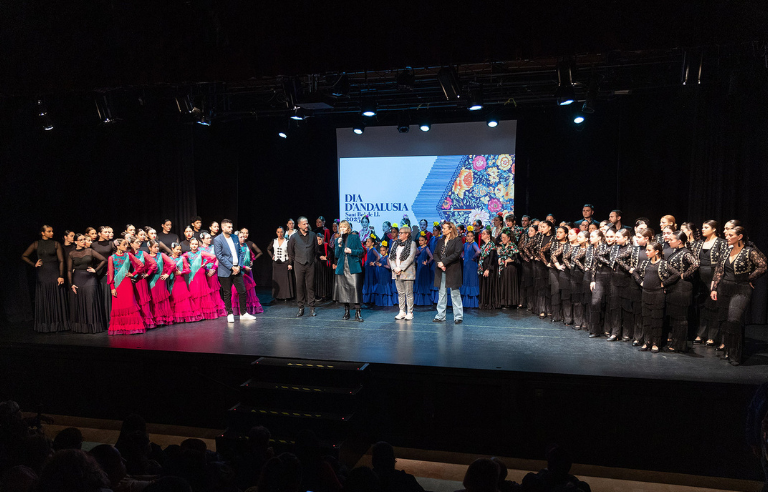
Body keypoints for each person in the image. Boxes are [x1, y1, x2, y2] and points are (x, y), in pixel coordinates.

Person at [711, 226, 767, 365]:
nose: (727, 237)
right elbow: (719, 270)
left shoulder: (749, 251)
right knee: (725, 320)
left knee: (734, 320)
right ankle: (728, 350)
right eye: (727, 235)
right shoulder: (725, 251)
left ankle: (735, 354)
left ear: (740, 236)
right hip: (724, 288)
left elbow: (763, 266)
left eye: (731, 235)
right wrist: (714, 288)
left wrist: (750, 278)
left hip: (741, 289)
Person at [633, 241, 681, 353]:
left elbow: (676, 274)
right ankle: (647, 342)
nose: (647, 252)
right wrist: (640, 282)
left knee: (657, 320)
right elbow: (635, 272)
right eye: (646, 250)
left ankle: (655, 343)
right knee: (646, 319)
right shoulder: (645, 263)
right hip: (645, 293)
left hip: (657, 295)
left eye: (649, 250)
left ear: (657, 251)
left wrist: (664, 283)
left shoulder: (663, 264)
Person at [21, 225, 69, 332]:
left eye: (52, 231)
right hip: (42, 273)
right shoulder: (36, 244)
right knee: (45, 296)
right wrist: (34, 264)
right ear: (42, 233)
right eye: (49, 231)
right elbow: (24, 256)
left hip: (54, 272)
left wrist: (61, 275)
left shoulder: (55, 244)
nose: (52, 233)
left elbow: (61, 261)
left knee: (56, 296)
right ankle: (46, 325)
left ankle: (58, 324)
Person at [689, 220, 727, 346]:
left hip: (713, 276)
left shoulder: (721, 243)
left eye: (706, 227)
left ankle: (712, 336)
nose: (703, 229)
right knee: (703, 306)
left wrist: (716, 281)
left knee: (714, 307)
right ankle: (701, 333)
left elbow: (722, 263)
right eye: (703, 227)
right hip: (700, 277)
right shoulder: (700, 243)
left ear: (714, 229)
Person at [214, 219, 256, 322]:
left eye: (231, 227)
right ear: (223, 227)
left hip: (237, 269)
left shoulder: (235, 237)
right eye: (228, 227)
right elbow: (219, 256)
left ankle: (243, 313)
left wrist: (239, 266)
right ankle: (230, 313)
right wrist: (231, 267)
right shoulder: (218, 239)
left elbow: (240, 253)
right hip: (226, 270)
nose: (231, 228)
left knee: (242, 291)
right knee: (227, 293)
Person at [664, 230, 699, 353]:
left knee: (681, 317)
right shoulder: (677, 252)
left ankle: (680, 345)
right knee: (675, 316)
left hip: (682, 288)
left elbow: (696, 264)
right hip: (675, 287)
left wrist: (685, 275)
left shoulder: (685, 252)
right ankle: (675, 342)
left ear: (679, 241)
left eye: (672, 239)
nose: (669, 241)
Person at [67, 233, 107, 333]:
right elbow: (69, 270)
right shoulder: (72, 254)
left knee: (91, 301)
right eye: (81, 240)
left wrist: (96, 269)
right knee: (80, 302)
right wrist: (71, 283)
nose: (84, 241)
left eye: (84, 239)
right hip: (78, 278)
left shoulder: (89, 250)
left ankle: (93, 326)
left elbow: (103, 260)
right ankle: (82, 327)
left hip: (90, 278)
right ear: (75, 242)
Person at [107, 238, 146, 335]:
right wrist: (112, 288)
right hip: (117, 284)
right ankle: (121, 328)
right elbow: (110, 274)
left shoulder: (128, 255)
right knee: (119, 306)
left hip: (127, 283)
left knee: (130, 304)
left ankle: (132, 327)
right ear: (118, 246)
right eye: (124, 245)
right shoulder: (111, 258)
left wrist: (133, 274)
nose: (126, 247)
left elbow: (141, 265)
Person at [334, 220, 365, 321]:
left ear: (348, 228)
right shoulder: (338, 240)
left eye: (344, 227)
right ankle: (346, 312)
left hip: (353, 267)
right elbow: (337, 255)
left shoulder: (354, 237)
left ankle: (358, 312)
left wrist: (351, 251)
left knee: (355, 289)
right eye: (341, 227)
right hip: (342, 268)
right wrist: (339, 246)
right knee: (343, 290)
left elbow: (361, 251)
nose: (342, 229)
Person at [433, 221, 464, 323]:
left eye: (445, 228)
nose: (443, 230)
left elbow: (456, 254)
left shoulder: (457, 240)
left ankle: (458, 316)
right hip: (441, 269)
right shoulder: (441, 240)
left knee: (455, 293)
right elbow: (436, 253)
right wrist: (439, 263)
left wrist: (444, 263)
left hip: (452, 269)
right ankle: (440, 316)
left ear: (451, 229)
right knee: (441, 293)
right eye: (442, 228)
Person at [288, 216, 317, 317]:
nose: (306, 225)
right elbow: (290, 251)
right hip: (299, 264)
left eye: (307, 223)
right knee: (299, 286)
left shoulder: (313, 235)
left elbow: (316, 250)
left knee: (310, 286)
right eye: (304, 224)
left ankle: (312, 307)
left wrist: (312, 260)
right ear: (299, 225)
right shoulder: (294, 237)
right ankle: (301, 307)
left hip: (310, 264)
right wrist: (294, 261)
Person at [127, 235, 156, 329]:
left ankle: (146, 322)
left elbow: (154, 263)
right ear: (131, 244)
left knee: (143, 300)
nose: (139, 244)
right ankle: (136, 323)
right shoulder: (127, 254)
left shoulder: (143, 253)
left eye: (140, 242)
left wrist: (148, 274)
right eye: (137, 242)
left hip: (141, 280)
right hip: (130, 280)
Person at [233, 231, 264, 316]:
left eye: (243, 237)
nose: (243, 238)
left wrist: (251, 261)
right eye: (241, 237)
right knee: (239, 290)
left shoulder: (246, 245)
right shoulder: (235, 247)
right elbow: (234, 261)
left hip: (248, 270)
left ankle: (249, 308)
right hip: (240, 271)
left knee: (249, 290)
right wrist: (243, 267)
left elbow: (252, 255)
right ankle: (239, 309)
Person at [389, 225, 417, 320]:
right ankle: (402, 311)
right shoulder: (395, 243)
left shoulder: (412, 243)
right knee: (400, 293)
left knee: (408, 293)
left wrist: (400, 268)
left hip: (407, 272)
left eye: (401, 233)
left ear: (407, 234)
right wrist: (394, 268)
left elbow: (410, 258)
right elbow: (391, 257)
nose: (399, 234)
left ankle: (410, 312)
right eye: (399, 232)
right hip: (396, 272)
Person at [145, 240, 175, 326]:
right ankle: (156, 319)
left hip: (161, 281)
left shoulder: (161, 255)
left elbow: (172, 264)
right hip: (151, 280)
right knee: (154, 299)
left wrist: (167, 274)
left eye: (158, 246)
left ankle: (164, 319)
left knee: (162, 299)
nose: (157, 248)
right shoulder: (147, 256)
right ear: (149, 248)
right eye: (155, 247)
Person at [168, 242, 199, 323]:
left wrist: (181, 272)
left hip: (181, 280)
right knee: (175, 298)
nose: (179, 251)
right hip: (172, 280)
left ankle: (185, 316)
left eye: (180, 250)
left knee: (183, 298)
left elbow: (188, 270)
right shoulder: (169, 258)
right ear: (172, 249)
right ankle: (176, 317)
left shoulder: (182, 258)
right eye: (177, 249)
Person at [588, 229, 610, 338]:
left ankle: (606, 329)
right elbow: (594, 266)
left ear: (599, 237)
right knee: (595, 302)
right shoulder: (594, 248)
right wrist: (593, 280)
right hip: (599, 276)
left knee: (607, 304)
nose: (590, 238)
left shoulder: (607, 247)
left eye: (592, 236)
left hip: (610, 276)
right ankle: (595, 329)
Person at [199, 232, 227, 317]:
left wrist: (213, 269)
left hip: (213, 271)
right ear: (202, 239)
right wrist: (206, 269)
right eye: (207, 238)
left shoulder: (214, 247)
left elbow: (218, 258)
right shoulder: (199, 249)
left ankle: (216, 309)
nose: (210, 239)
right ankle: (207, 310)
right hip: (204, 272)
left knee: (214, 290)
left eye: (210, 238)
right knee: (205, 291)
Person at [268, 226, 294, 302]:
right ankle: (277, 296)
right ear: (276, 233)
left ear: (284, 232)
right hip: (276, 263)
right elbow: (268, 249)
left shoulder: (287, 241)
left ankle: (285, 296)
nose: (280, 233)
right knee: (277, 279)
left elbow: (290, 253)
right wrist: (272, 256)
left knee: (284, 280)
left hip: (284, 263)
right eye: (278, 232)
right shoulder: (274, 241)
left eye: (281, 232)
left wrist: (290, 263)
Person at [477, 228, 499, 310]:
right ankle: (483, 303)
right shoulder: (483, 246)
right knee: (483, 285)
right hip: (482, 267)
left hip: (488, 267)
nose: (482, 235)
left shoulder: (491, 245)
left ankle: (489, 303)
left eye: (484, 234)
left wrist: (488, 269)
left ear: (488, 236)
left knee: (489, 284)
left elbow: (492, 258)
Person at [460, 229, 481, 308]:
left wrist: (473, 257)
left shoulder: (474, 244)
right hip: (466, 265)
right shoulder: (465, 244)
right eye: (468, 236)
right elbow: (460, 251)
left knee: (472, 281)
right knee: (466, 280)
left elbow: (478, 251)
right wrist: (463, 257)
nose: (469, 237)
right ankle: (466, 302)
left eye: (471, 236)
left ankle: (473, 302)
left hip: (472, 265)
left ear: (473, 237)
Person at [414, 233, 434, 306]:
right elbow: (415, 256)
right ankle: (418, 301)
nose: (420, 242)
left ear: (425, 241)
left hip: (424, 268)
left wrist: (427, 262)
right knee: (418, 281)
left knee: (423, 282)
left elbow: (431, 257)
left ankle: (425, 301)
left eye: (422, 240)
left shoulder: (426, 248)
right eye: (419, 240)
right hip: (419, 267)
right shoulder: (418, 248)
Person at [314, 232, 335, 302]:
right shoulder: (315, 246)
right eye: (317, 240)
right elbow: (314, 254)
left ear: (323, 239)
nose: (319, 241)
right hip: (317, 264)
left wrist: (326, 257)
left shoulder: (325, 245)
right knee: (318, 279)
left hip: (324, 265)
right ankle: (318, 294)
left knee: (324, 279)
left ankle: (325, 295)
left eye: (320, 239)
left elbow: (332, 252)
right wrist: (319, 257)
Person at [374, 243, 395, 307]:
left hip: (386, 275)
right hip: (381, 275)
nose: (382, 252)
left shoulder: (387, 258)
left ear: (386, 250)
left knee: (386, 287)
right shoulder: (381, 258)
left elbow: (389, 267)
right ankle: (381, 302)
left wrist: (382, 265)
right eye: (381, 250)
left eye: (383, 250)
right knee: (381, 287)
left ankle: (387, 302)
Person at [362, 236, 380, 305]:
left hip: (371, 269)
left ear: (372, 243)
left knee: (371, 282)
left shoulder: (373, 250)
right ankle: (367, 299)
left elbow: (378, 256)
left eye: (368, 241)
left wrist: (374, 262)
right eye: (366, 241)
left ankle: (372, 299)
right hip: (367, 268)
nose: (366, 243)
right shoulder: (368, 250)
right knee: (367, 282)